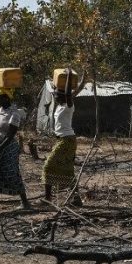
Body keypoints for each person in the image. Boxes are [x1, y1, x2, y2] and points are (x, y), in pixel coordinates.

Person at [43, 69, 85, 203]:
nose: (54, 96)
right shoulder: (59, 107)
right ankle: (76, 198)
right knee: (68, 169)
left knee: (48, 166)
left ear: (62, 96)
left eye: (56, 94)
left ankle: (48, 198)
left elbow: (68, 94)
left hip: (68, 140)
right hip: (63, 140)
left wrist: (68, 77)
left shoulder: (69, 106)